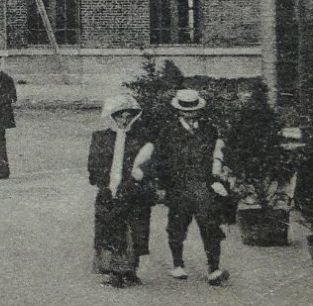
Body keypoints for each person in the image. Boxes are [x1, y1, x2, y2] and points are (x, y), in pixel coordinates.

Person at [155, 88, 231, 286]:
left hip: (203, 186)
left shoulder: (209, 130)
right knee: (177, 226)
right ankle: (178, 264)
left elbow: (218, 155)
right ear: (178, 111)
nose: (190, 115)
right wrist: (162, 186)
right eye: (186, 111)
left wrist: (217, 177)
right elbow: (161, 161)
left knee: (210, 226)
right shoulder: (167, 132)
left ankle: (214, 268)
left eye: (194, 111)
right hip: (178, 187)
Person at [87, 95, 156, 287]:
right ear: (112, 117)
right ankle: (115, 271)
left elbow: (149, 164)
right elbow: (93, 164)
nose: (124, 120)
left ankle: (130, 270)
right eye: (120, 116)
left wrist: (137, 180)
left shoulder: (141, 140)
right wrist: (105, 185)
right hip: (109, 190)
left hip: (133, 191)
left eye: (128, 116)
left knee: (135, 230)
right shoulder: (101, 138)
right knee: (111, 229)